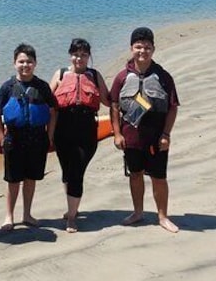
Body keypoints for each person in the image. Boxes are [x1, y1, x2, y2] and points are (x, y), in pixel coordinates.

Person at [109, 27, 180, 233]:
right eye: (138, 47)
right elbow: (113, 105)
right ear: (131, 48)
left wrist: (166, 134)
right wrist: (117, 133)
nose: (142, 51)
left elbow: (173, 107)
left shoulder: (163, 77)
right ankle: (138, 212)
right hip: (131, 138)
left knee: (159, 177)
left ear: (153, 49)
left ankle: (163, 216)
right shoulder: (122, 77)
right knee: (135, 174)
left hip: (156, 138)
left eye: (147, 47)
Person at [49, 38, 111, 233]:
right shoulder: (60, 74)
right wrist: (48, 134)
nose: (79, 58)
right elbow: (48, 105)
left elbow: (108, 101)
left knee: (77, 172)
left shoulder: (94, 75)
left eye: (84, 55)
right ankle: (72, 208)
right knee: (67, 172)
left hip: (86, 131)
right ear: (70, 55)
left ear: (89, 56)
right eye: (76, 54)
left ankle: (72, 218)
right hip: (63, 130)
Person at [0, 43, 56, 230]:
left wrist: (49, 136)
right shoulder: (7, 87)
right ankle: (9, 217)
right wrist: (1, 138)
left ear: (35, 63)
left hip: (37, 138)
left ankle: (27, 214)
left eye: (29, 61)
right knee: (13, 180)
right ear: (14, 64)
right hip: (14, 138)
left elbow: (53, 112)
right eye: (21, 62)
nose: (25, 65)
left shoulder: (42, 86)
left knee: (31, 178)